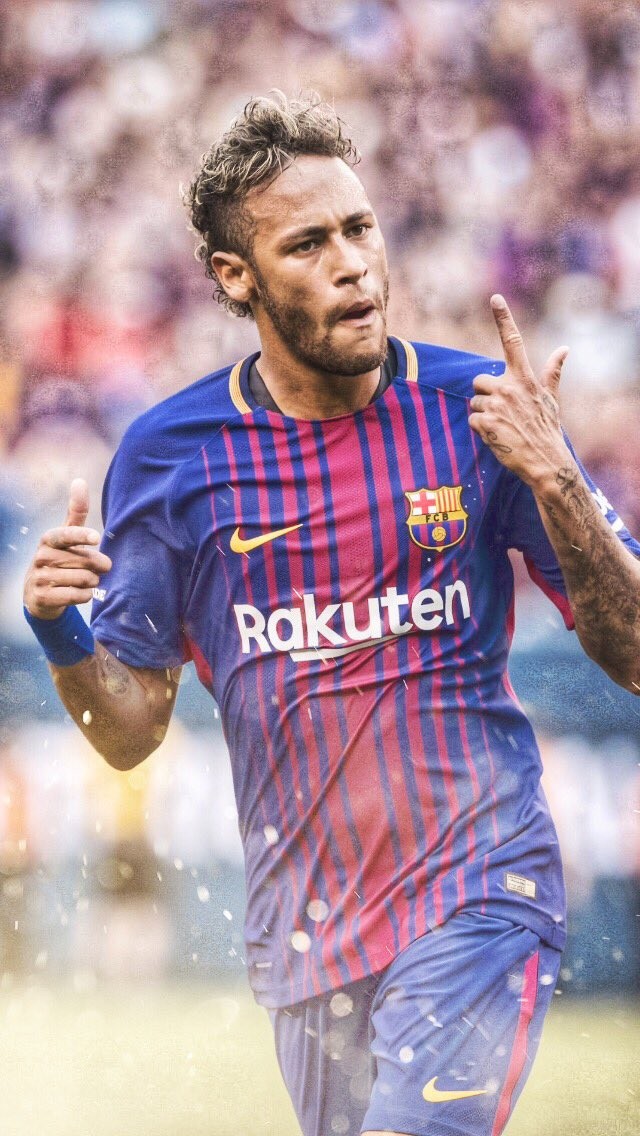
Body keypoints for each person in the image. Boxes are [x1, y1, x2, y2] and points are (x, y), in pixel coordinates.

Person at [23, 92, 640, 1136]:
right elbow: (129, 734)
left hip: (482, 885)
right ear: (237, 276)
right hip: (311, 933)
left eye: (360, 228)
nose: (353, 264)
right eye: (308, 244)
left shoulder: (483, 414)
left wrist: (558, 482)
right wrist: (59, 629)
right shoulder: (172, 459)